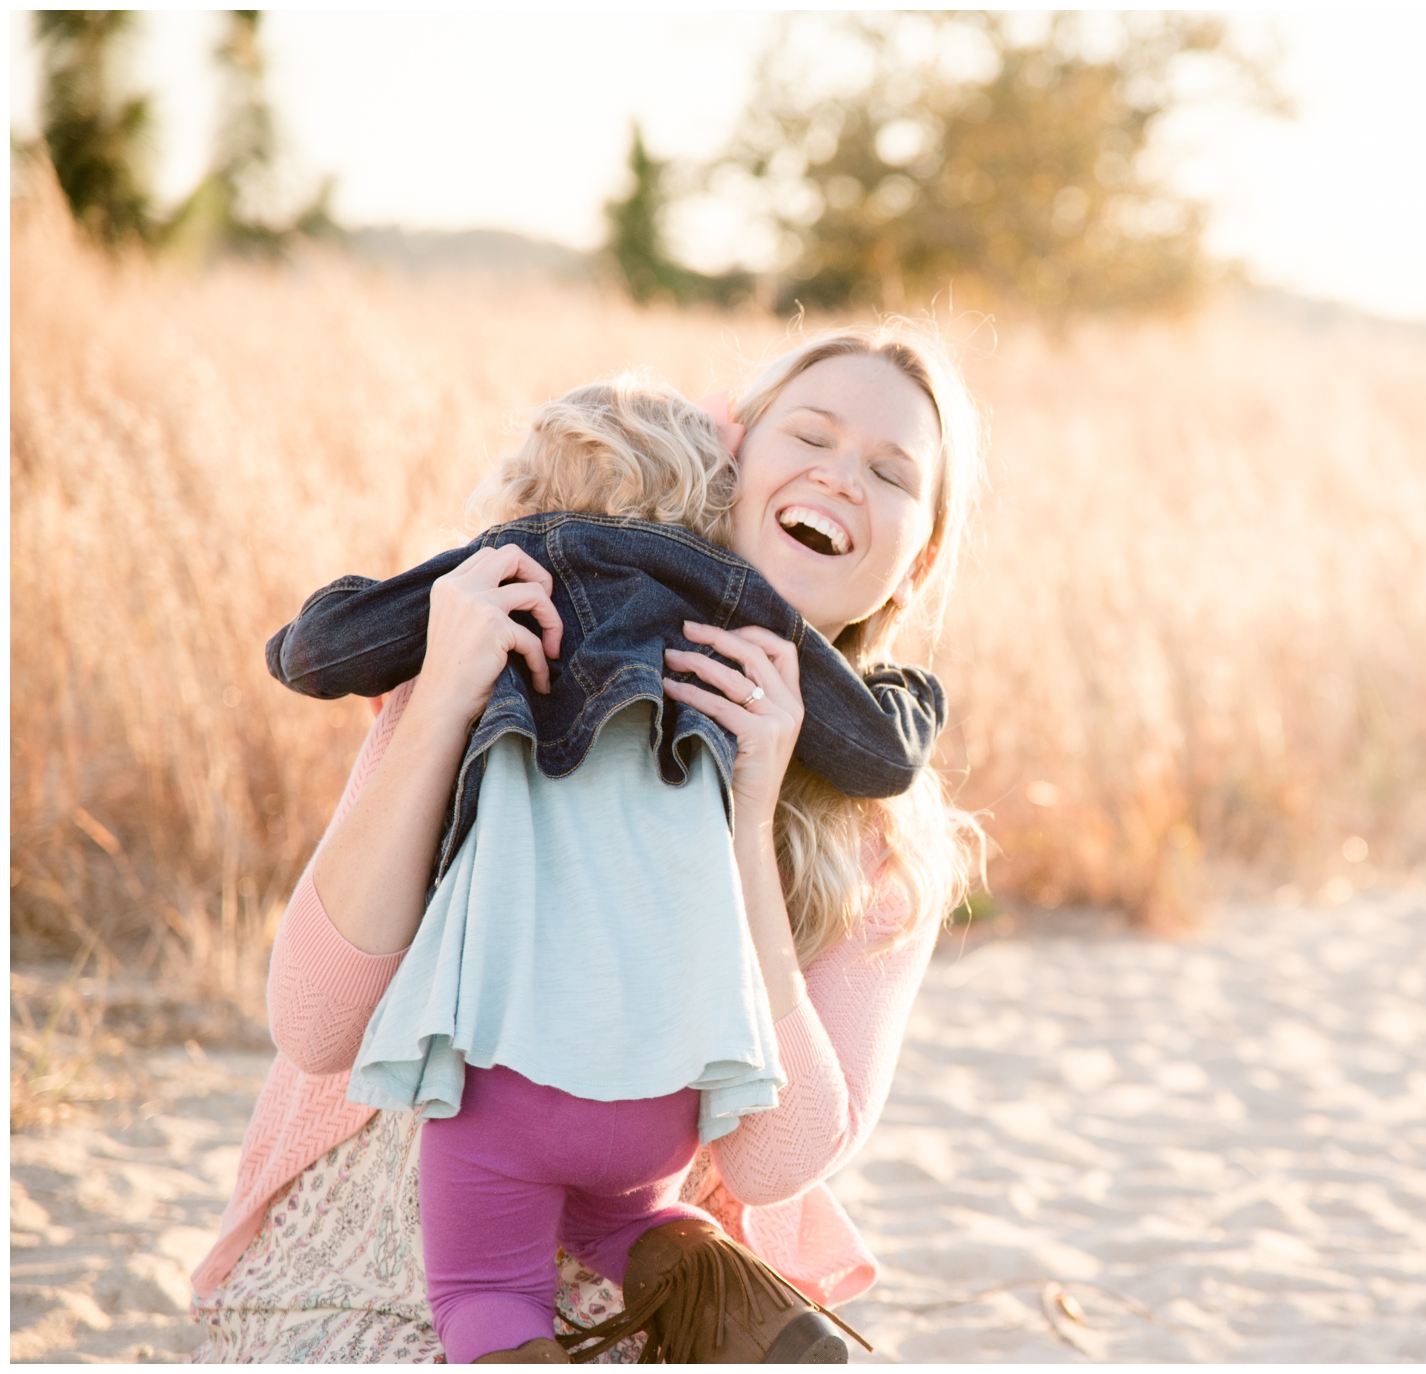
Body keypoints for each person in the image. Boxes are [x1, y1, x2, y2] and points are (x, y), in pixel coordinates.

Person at [188, 324, 985, 1364]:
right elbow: (314, 1019)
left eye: (889, 471)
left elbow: (774, 1160)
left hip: (651, 1299)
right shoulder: (513, 658)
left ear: (914, 565)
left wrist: (747, 822)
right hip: (374, 1259)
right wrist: (441, 700)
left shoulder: (878, 832)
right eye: (811, 437)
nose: (839, 479)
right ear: (729, 454)